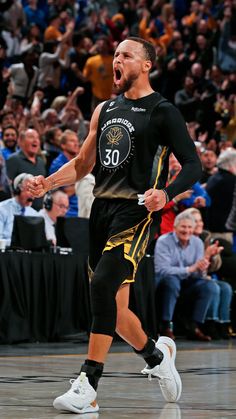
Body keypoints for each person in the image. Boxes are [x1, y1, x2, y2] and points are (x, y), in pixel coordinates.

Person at [27, 37, 202, 414]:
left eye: (125, 56)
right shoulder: (104, 109)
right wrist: (48, 182)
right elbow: (82, 164)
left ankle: (88, 385)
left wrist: (167, 194)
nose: (117, 61)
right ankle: (157, 357)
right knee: (114, 308)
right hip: (101, 213)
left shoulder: (163, 110)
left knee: (103, 286)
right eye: (116, 56)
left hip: (135, 212)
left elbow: (193, 165)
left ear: (147, 65)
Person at [154, 211, 218, 341]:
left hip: (189, 282)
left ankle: (193, 326)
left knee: (210, 286)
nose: (187, 230)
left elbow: (198, 274)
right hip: (165, 282)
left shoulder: (197, 243)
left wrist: (202, 267)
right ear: (175, 227)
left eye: (190, 227)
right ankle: (166, 326)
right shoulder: (164, 241)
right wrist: (190, 269)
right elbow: (161, 269)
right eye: (183, 227)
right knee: (172, 281)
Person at [182, 207, 233, 339]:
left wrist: (214, 256)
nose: (200, 224)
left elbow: (215, 267)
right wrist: (206, 255)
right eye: (195, 221)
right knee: (213, 286)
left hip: (202, 276)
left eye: (200, 220)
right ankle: (208, 324)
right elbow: (189, 265)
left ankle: (222, 324)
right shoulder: (184, 237)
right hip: (188, 278)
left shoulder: (205, 236)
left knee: (226, 287)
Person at [0, 173, 38, 246]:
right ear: (18, 189)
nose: (32, 195)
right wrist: (16, 244)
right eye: (29, 190)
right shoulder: (2, 209)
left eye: (34, 191)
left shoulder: (35, 215)